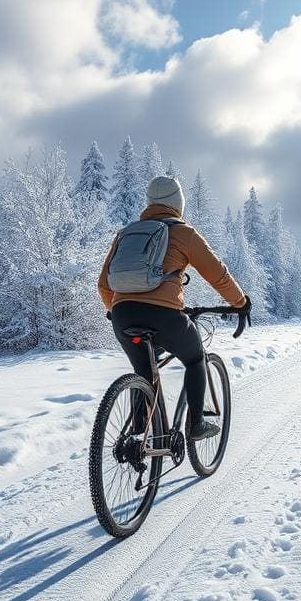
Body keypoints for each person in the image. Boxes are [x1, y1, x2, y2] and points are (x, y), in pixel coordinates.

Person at [98, 175, 250, 441]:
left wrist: (116, 309)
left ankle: (140, 434)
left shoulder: (125, 234)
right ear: (178, 204)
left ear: (149, 203)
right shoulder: (184, 233)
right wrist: (240, 302)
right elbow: (218, 275)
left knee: (143, 369)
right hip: (165, 316)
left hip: (123, 315)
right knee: (194, 358)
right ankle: (196, 424)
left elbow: (103, 283)